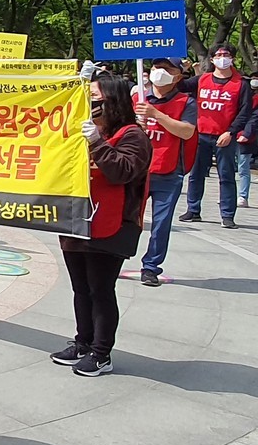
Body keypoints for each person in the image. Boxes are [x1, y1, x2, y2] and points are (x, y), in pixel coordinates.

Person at [52, 73, 152, 377]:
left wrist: (97, 143)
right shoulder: (81, 130)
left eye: (95, 99)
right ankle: (83, 342)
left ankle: (101, 352)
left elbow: (122, 171)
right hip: (77, 221)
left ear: (113, 101)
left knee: (100, 289)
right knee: (80, 288)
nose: (91, 105)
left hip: (111, 224)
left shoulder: (133, 135)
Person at [136, 58, 197, 287]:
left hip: (168, 172)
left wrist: (156, 115)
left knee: (161, 224)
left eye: (166, 69)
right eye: (155, 68)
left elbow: (187, 132)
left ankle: (151, 267)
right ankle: (116, 257)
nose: (159, 73)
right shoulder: (137, 98)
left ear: (178, 76)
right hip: (137, 170)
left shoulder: (186, 102)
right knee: (128, 218)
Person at [179, 44, 251, 229]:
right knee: (196, 174)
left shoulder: (241, 84)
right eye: (218, 55)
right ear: (212, 59)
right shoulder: (202, 79)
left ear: (233, 58)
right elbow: (178, 86)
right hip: (201, 134)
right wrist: (182, 70)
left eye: (226, 54)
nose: (222, 58)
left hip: (225, 137)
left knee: (226, 176)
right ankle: (193, 209)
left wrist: (231, 132)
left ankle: (227, 214)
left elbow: (245, 112)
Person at [239, 72, 258, 209]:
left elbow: (254, 118)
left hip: (247, 136)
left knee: (243, 168)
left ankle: (243, 196)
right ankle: (228, 195)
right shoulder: (242, 95)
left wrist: (247, 133)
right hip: (230, 134)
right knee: (227, 168)